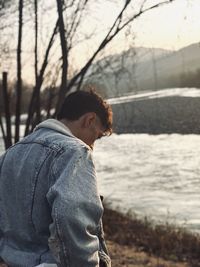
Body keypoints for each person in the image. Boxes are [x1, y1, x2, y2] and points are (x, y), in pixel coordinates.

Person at [0, 90, 112, 267]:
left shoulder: (10, 154)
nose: (92, 145)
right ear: (89, 120)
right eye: (96, 136)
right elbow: (70, 218)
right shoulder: (75, 151)